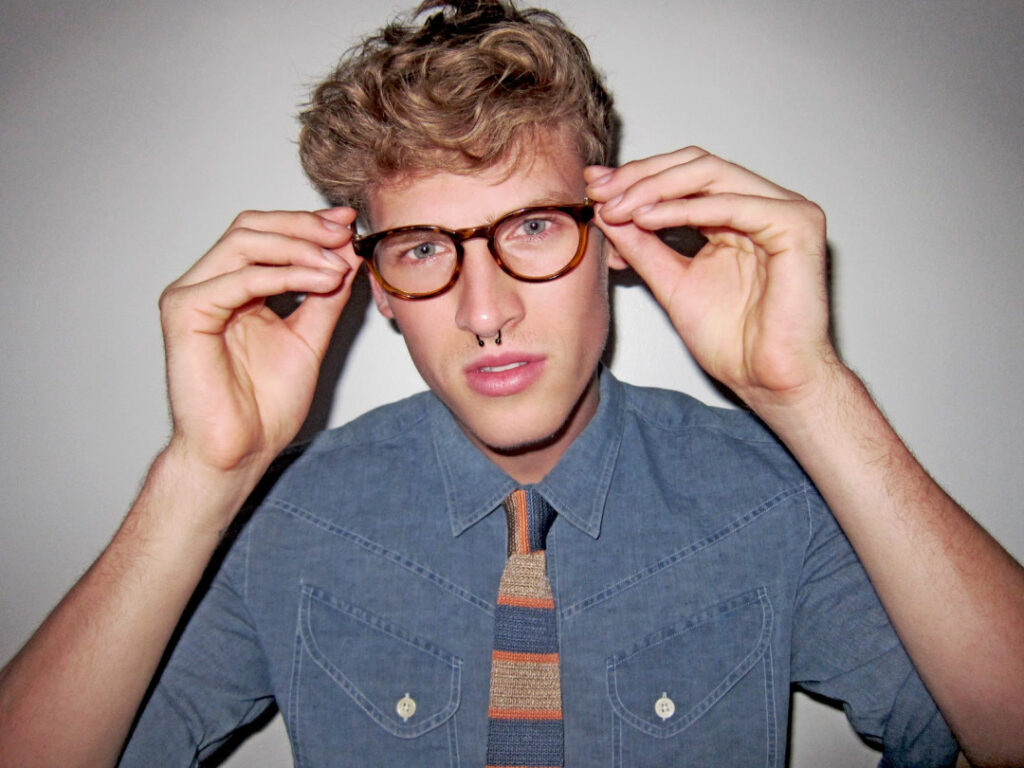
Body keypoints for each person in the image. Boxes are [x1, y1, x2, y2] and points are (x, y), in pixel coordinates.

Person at [1, 1, 1022, 765]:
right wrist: (200, 474)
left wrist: (810, 392)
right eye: (421, 248)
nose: (483, 310)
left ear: (613, 239)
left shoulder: (763, 496)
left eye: (532, 227)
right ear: (378, 287)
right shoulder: (283, 521)